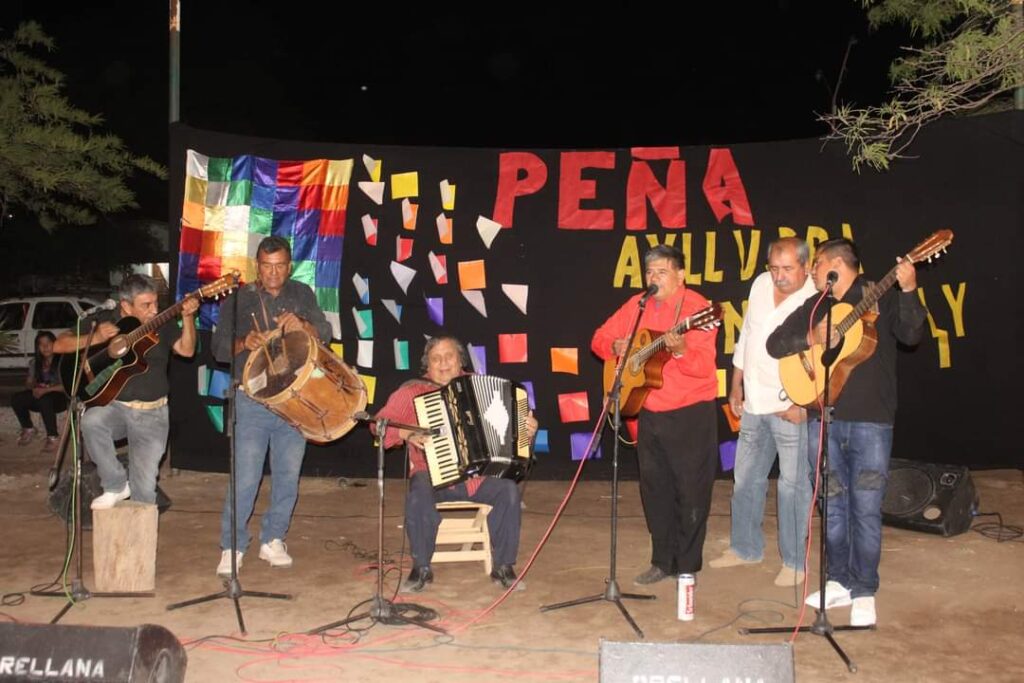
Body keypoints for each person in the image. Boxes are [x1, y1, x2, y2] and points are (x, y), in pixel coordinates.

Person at [766, 237, 926, 627]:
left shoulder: (878, 296)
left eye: (817, 264)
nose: (814, 271)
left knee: (866, 509)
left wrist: (908, 289)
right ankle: (837, 579)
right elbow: (775, 344)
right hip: (825, 417)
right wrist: (812, 337)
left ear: (836, 263)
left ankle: (865, 589)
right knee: (832, 506)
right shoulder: (816, 305)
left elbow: (910, 335)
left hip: (870, 420)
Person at [591, 244, 719, 585]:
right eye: (650, 272)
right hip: (648, 410)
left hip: (691, 412)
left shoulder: (699, 309)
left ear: (681, 275)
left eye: (662, 272)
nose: (654, 278)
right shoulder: (638, 304)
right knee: (655, 490)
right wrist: (615, 346)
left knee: (691, 492)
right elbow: (599, 338)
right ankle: (662, 560)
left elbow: (704, 366)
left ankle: (688, 565)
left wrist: (681, 351)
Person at [374, 335, 538, 592]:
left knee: (508, 489)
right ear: (426, 364)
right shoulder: (411, 392)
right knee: (418, 491)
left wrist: (527, 431)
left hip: (479, 478)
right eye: (435, 358)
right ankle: (421, 567)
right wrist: (406, 434)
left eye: (448, 356)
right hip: (432, 475)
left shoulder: (480, 385)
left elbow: (509, 432)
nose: (442, 363)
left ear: (460, 360)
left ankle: (504, 566)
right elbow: (378, 424)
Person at [211, 235, 332, 577]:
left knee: (287, 477)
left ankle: (273, 538)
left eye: (280, 266)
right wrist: (243, 342)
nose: (274, 273)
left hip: (295, 401)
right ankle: (232, 545)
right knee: (245, 477)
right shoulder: (238, 298)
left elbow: (326, 332)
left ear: (289, 266)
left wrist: (304, 326)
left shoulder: (302, 294)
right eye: (267, 267)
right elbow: (218, 349)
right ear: (257, 267)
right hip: (251, 400)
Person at [708, 237, 817, 586]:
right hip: (754, 402)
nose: (779, 276)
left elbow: (829, 359)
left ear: (806, 265)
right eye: (774, 268)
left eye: (787, 269)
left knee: (793, 486)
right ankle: (745, 548)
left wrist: (807, 403)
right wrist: (736, 381)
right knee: (746, 480)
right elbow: (748, 336)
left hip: (791, 406)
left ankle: (795, 563)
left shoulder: (818, 297)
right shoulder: (759, 284)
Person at [53, 274, 198, 510]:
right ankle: (115, 484)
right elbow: (60, 344)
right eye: (146, 305)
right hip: (115, 406)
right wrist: (98, 336)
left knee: (143, 494)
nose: (154, 310)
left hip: (152, 414)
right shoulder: (106, 319)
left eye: (156, 303)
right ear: (125, 305)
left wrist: (188, 318)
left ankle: (139, 546)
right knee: (91, 421)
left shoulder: (162, 323)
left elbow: (187, 350)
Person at [12, 331, 69, 453]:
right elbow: (29, 383)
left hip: (60, 399)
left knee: (45, 399)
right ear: (37, 347)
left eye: (48, 343)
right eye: (41, 344)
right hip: (41, 396)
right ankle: (28, 428)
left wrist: (46, 390)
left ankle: (53, 437)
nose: (45, 347)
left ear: (55, 344)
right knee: (17, 398)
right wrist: (32, 385)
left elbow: (68, 386)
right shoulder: (34, 363)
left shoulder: (64, 361)